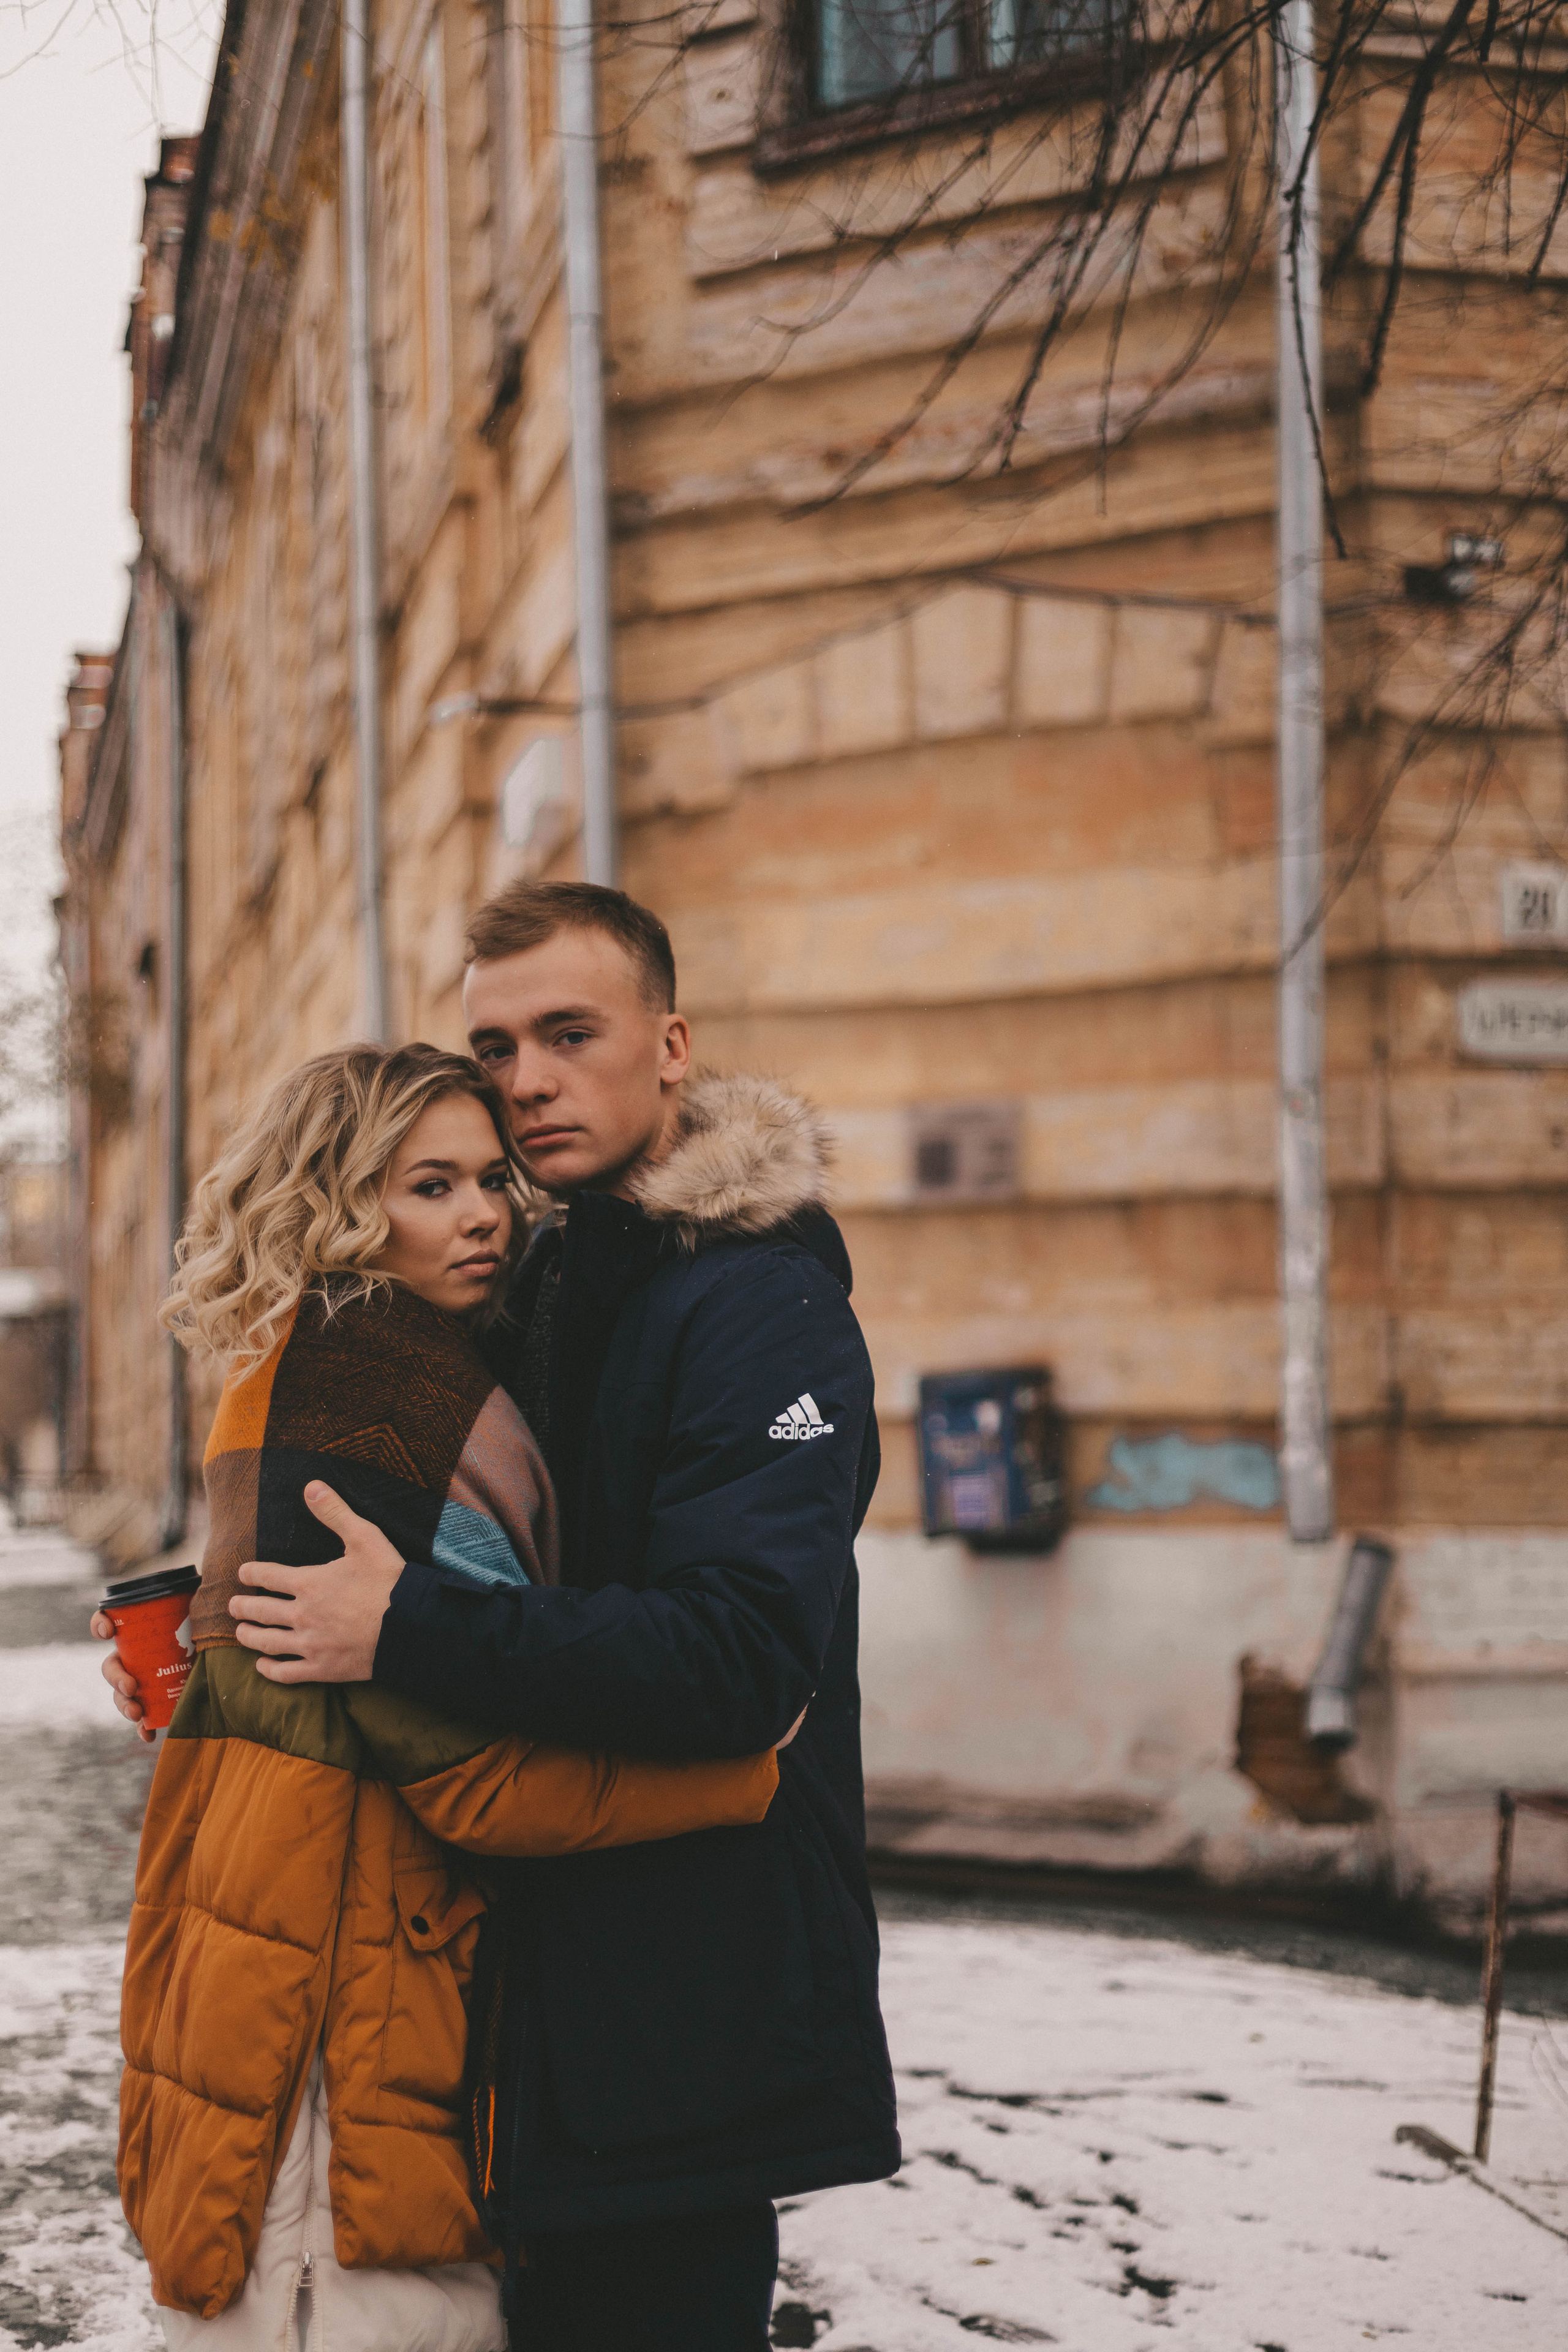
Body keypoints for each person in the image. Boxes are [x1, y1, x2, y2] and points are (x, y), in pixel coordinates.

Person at [102, 883, 900, 2351]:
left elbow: (738, 1658)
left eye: (568, 1034)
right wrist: (228, 1637)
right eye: (496, 1045)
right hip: (512, 2015)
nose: (527, 1080)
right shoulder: (530, 1282)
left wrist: (397, 1629)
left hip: (674, 2006)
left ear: (670, 1045)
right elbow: (470, 1551)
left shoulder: (753, 1306)